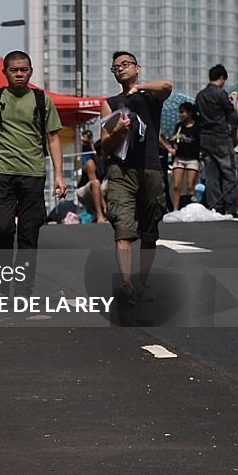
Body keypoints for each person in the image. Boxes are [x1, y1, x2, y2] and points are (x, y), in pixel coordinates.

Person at [0, 51, 66, 296]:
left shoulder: (42, 100)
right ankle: (2, 283)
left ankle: (23, 289)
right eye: (14, 70)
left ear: (30, 71)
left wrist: (59, 175)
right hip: (2, 174)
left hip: (33, 175)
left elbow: (53, 138)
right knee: (3, 229)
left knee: (29, 233)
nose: (20, 74)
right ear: (5, 72)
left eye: (24, 69)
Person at [100, 51, 172, 304]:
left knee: (150, 230)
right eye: (116, 67)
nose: (120, 69)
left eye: (125, 64)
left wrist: (138, 88)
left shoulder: (150, 96)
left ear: (137, 68)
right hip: (121, 170)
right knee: (123, 228)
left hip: (150, 168)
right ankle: (127, 285)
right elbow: (104, 146)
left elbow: (166, 86)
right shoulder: (109, 103)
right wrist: (118, 130)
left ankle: (143, 283)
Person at [194, 64, 238, 215]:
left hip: (205, 137)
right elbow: (231, 114)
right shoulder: (221, 94)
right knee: (228, 172)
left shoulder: (200, 95)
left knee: (211, 174)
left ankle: (215, 206)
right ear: (222, 78)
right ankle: (230, 207)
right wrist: (234, 102)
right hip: (221, 136)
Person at [160, 102, 200, 211]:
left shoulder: (197, 127)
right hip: (179, 158)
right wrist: (171, 145)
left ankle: (191, 208)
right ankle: (175, 209)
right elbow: (175, 141)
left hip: (192, 158)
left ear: (190, 113)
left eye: (182, 112)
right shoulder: (179, 127)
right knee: (176, 185)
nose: (180, 114)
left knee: (190, 185)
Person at [75, 129, 106, 223]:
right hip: (84, 189)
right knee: (96, 183)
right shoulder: (91, 162)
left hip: (100, 185)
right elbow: (94, 182)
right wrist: (105, 207)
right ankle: (100, 214)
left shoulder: (108, 161)